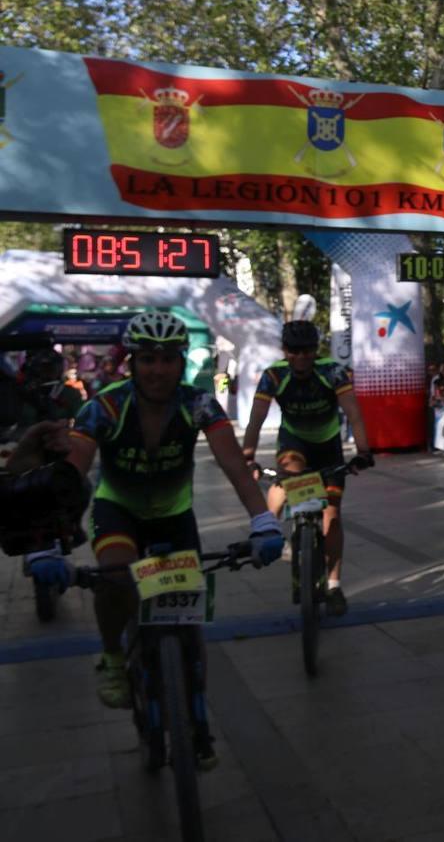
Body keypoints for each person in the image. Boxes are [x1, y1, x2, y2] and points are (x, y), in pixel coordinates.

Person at [61, 312, 285, 767]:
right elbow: (69, 477)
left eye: (167, 359)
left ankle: (197, 720)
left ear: (181, 361)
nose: (157, 369)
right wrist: (49, 539)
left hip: (174, 517)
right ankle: (110, 656)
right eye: (147, 359)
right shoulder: (102, 406)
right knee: (116, 580)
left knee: (188, 623)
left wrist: (262, 519)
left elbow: (235, 467)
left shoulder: (199, 404)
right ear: (131, 362)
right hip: (117, 510)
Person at [241, 320, 372, 618]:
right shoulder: (275, 374)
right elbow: (256, 419)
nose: (301, 357)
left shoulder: (333, 371)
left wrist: (363, 451)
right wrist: (247, 456)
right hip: (294, 441)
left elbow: (354, 413)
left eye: (307, 351)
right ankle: (275, 527)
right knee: (290, 476)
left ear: (316, 351)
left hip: (328, 446)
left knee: (332, 516)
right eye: (294, 351)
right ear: (284, 351)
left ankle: (334, 585)